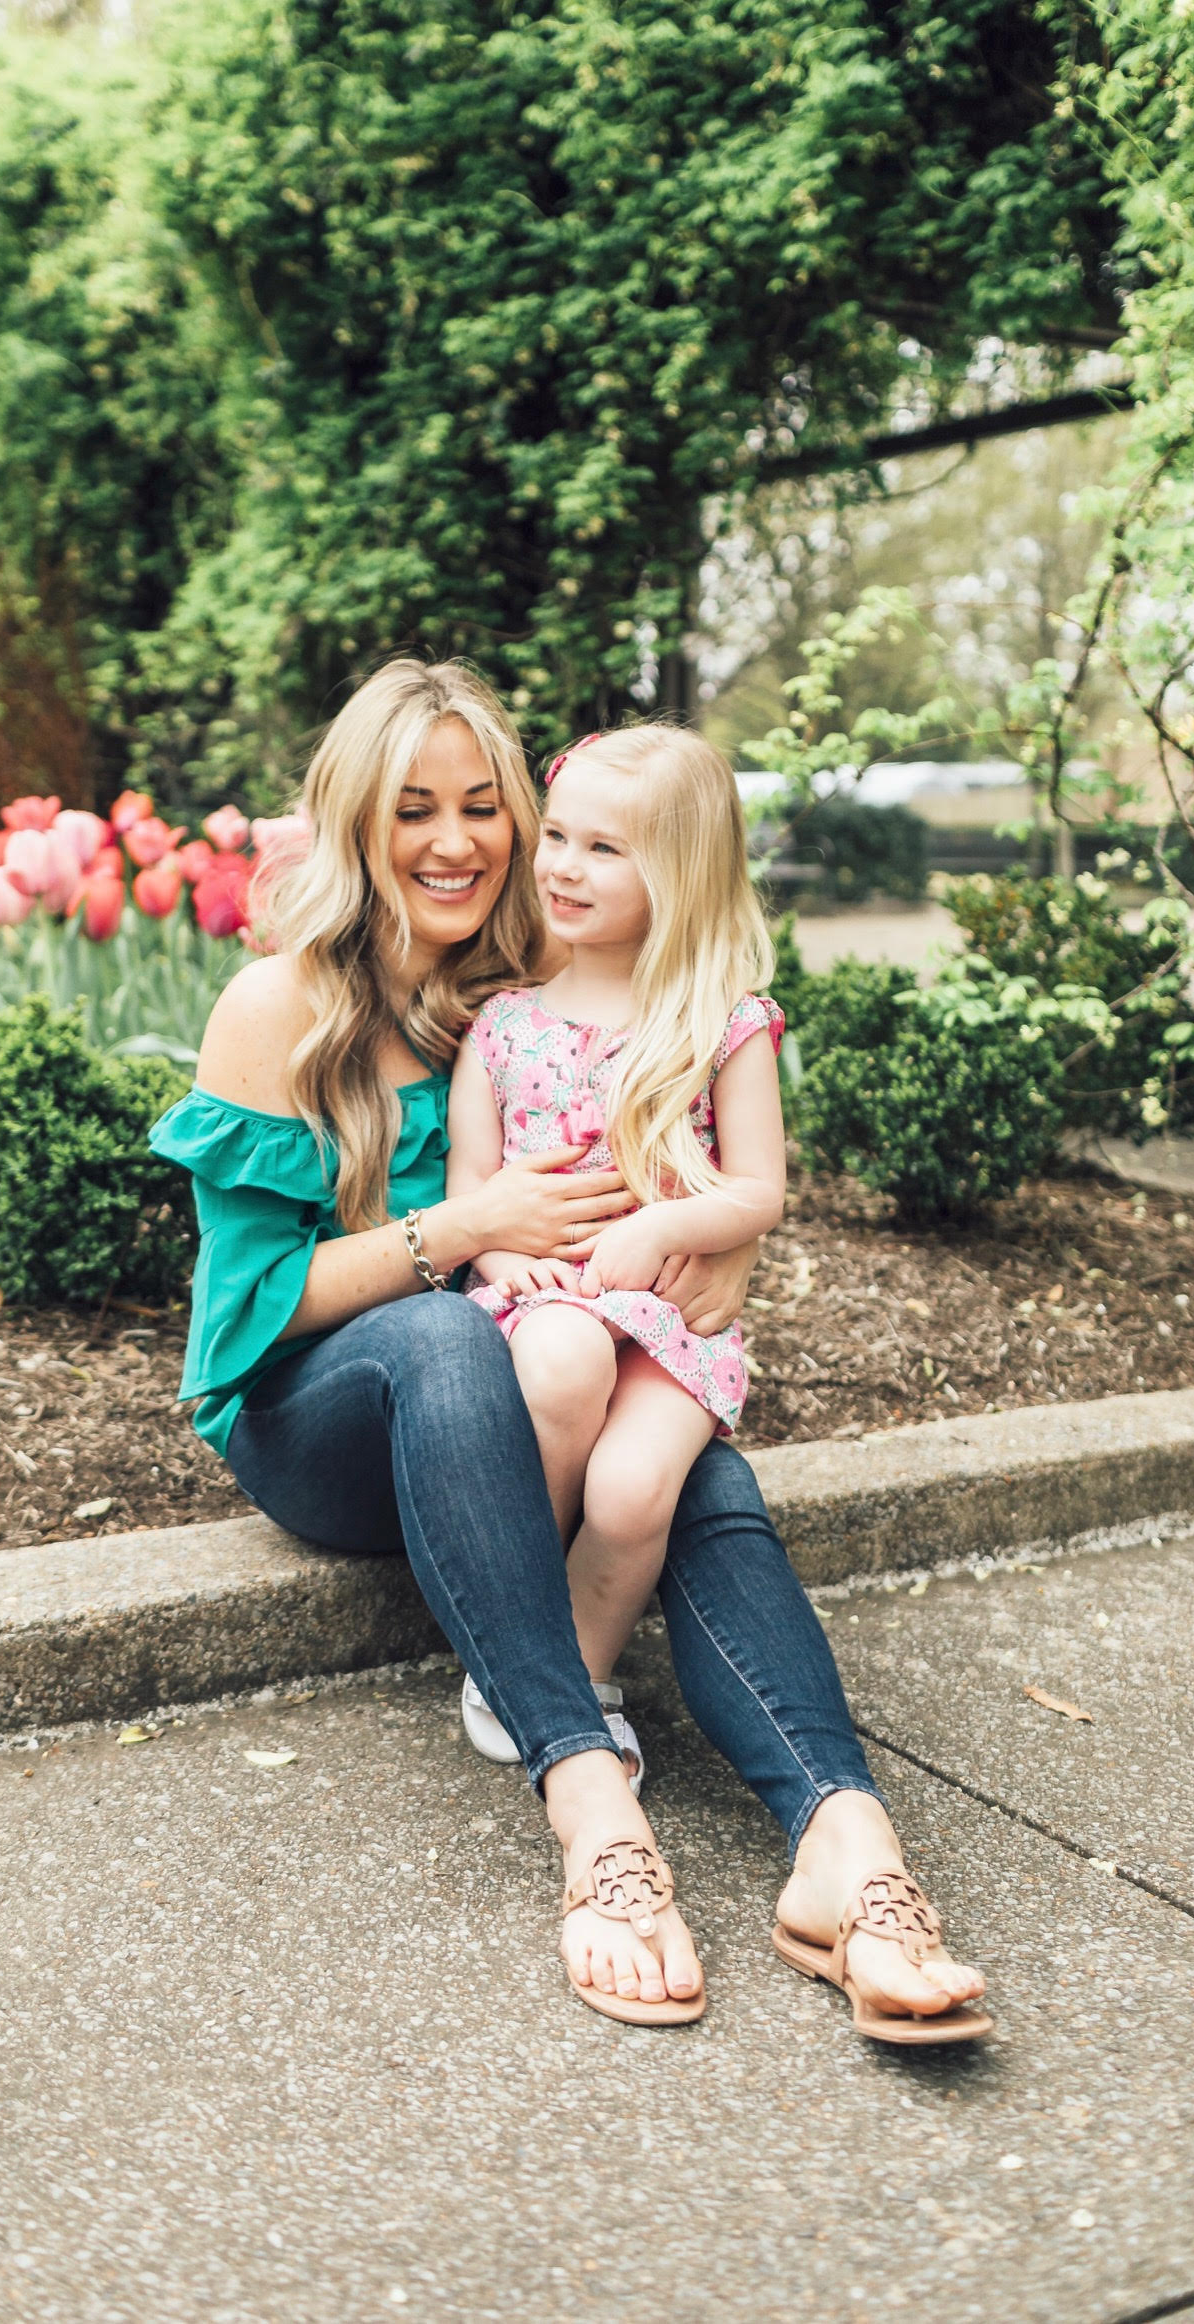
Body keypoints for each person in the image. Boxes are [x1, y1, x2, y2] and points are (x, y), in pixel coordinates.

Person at [150, 657, 991, 2041]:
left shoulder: (531, 981)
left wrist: (714, 1242)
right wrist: (466, 1222)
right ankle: (588, 1803)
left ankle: (845, 1843)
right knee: (441, 1342)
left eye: (486, 806)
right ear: (354, 819)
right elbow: (243, 1317)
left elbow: (685, 1145)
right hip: (326, 1417)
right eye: (412, 807)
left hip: (541, 1384)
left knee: (694, 1476)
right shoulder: (279, 1007)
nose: (456, 841)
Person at [445, 725, 785, 1800]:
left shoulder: (720, 1027)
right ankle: (512, 1623)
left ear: (674, 872)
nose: (560, 865)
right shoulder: (501, 1028)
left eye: (604, 848)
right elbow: (470, 1192)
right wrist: (506, 1254)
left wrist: (658, 1231)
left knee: (636, 1487)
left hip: (669, 1318)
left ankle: (574, 1673)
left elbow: (758, 1188)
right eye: (556, 836)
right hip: (543, 1293)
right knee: (556, 1363)